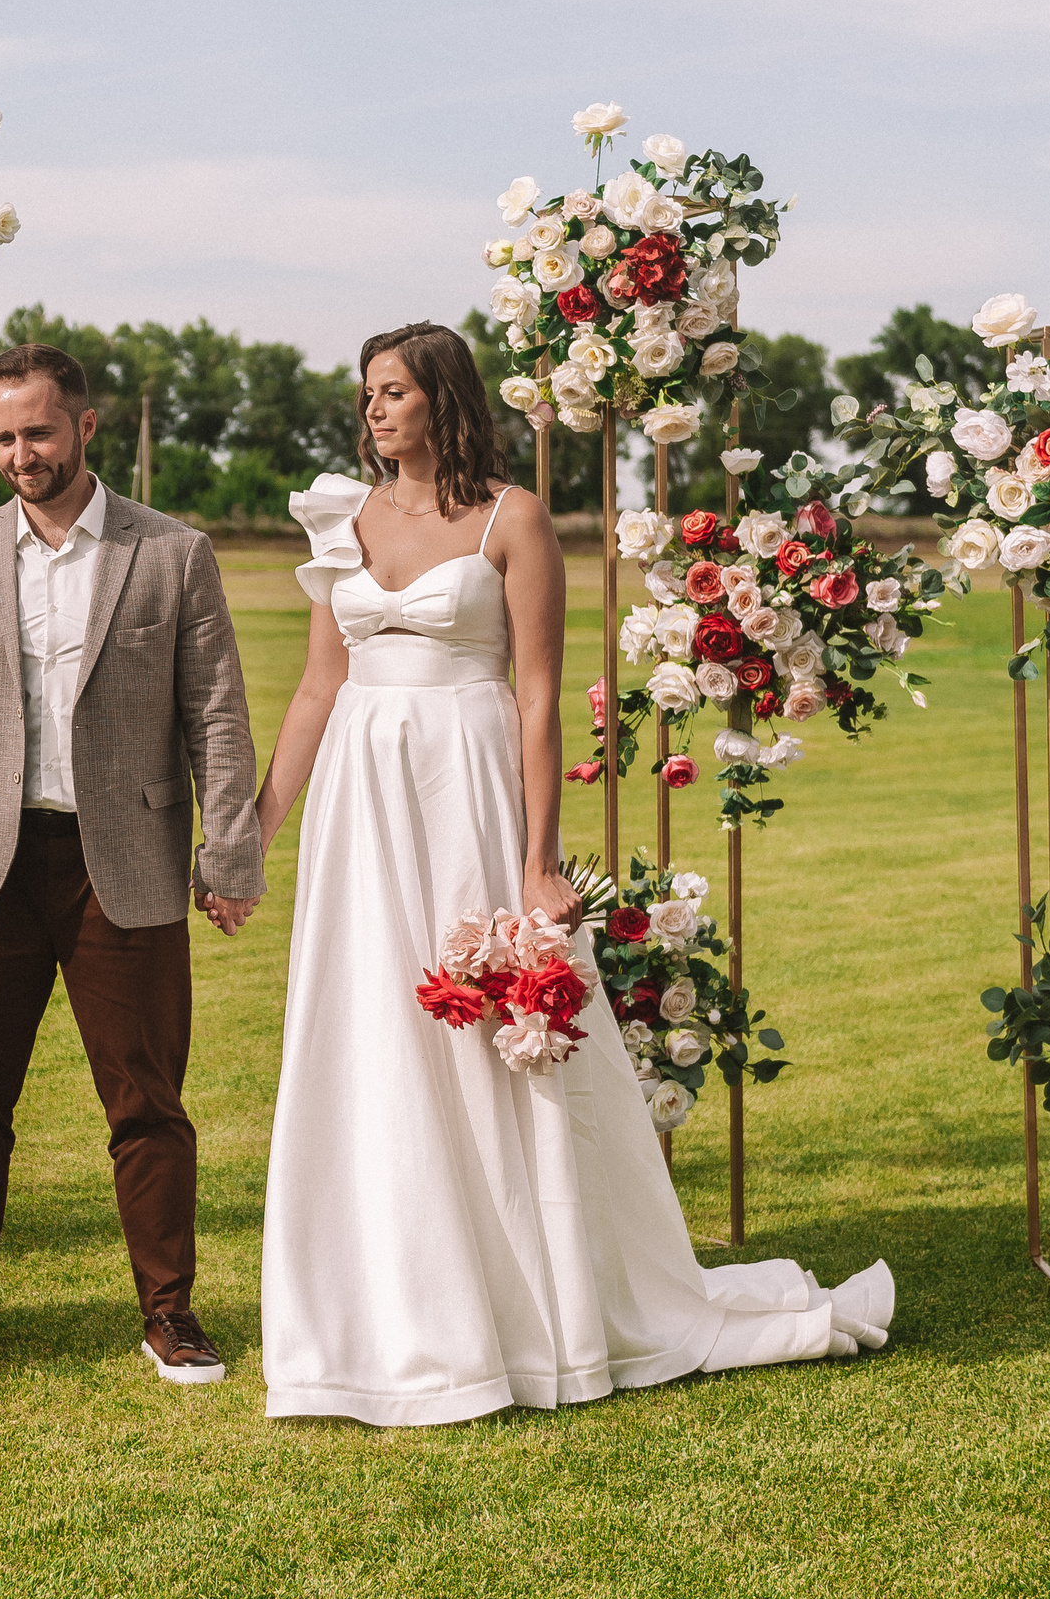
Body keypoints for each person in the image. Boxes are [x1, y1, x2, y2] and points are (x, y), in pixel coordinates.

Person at [254, 321, 893, 1425]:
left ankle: (528, 1304)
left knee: (482, 1035)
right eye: (366, 393)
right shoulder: (339, 517)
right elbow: (318, 686)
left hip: (464, 781)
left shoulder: (513, 518)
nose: (373, 410)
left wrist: (536, 857)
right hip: (360, 796)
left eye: (393, 391)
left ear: (441, 398)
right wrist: (259, 824)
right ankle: (385, 1310)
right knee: (369, 1027)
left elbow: (541, 695)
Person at [0, 343, 262, 1383]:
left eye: (39, 433)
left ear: (85, 427)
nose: (21, 454)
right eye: (4, 436)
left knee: (146, 1099)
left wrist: (226, 851)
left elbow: (217, 716)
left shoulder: (171, 551)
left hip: (126, 867)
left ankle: (171, 1313)